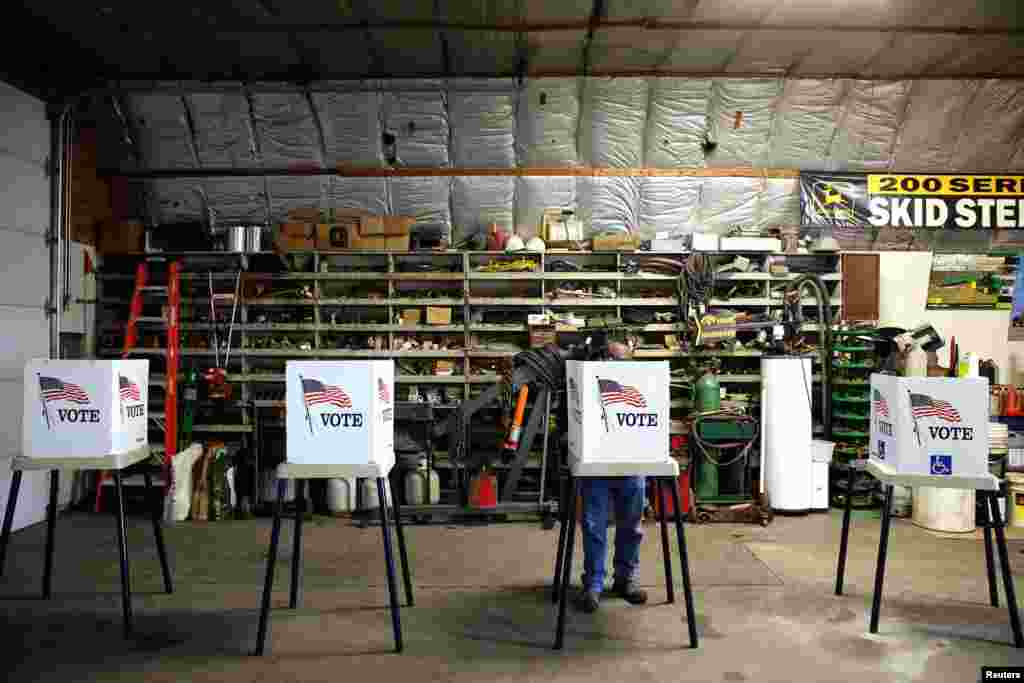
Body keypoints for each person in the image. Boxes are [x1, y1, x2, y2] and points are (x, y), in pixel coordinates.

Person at [577, 476, 648, 612]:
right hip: (596, 465)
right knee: (593, 526)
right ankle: (594, 583)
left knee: (632, 524)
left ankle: (625, 577)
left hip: (631, 464)